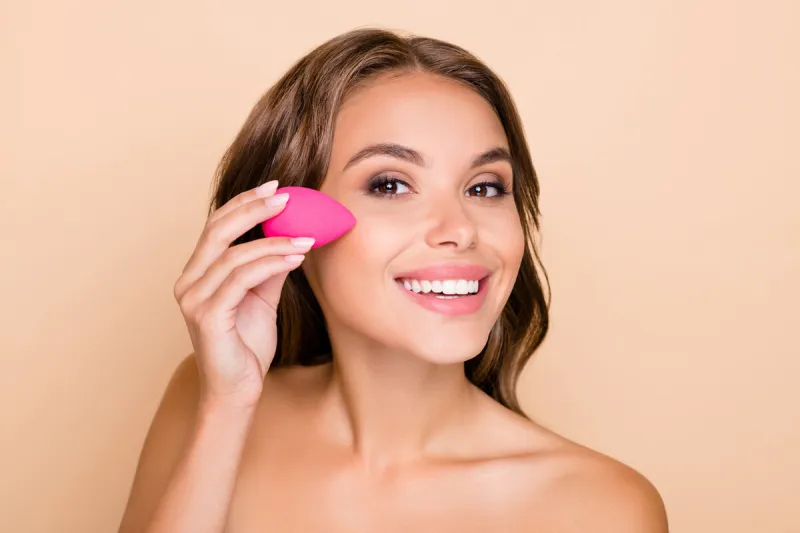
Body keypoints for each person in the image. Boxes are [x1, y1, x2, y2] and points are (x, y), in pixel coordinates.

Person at [117, 28, 668, 533]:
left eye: (485, 187)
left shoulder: (603, 508)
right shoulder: (209, 398)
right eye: (390, 184)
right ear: (289, 221)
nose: (460, 230)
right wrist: (227, 407)